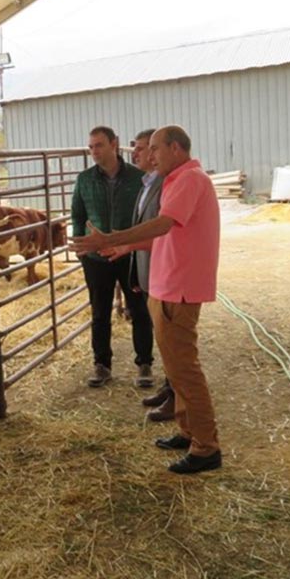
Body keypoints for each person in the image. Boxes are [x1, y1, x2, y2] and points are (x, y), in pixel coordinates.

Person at [70, 125, 222, 474]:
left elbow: (163, 225)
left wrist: (113, 235)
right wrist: (125, 245)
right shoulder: (176, 180)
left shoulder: (189, 180)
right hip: (167, 283)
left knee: (185, 369)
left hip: (179, 287)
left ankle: (207, 447)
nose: (148, 156)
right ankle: (189, 431)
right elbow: (166, 235)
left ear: (175, 148)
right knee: (175, 368)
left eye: (155, 148)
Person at [71, 126, 155, 388]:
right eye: (91, 147)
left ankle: (144, 364)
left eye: (99, 145)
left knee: (139, 308)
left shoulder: (137, 177)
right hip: (96, 258)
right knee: (99, 312)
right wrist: (82, 248)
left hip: (129, 253)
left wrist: (137, 245)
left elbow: (146, 215)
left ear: (114, 144)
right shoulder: (84, 180)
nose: (94, 151)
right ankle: (102, 364)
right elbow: (77, 214)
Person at [106, 129, 175, 422]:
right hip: (149, 269)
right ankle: (169, 387)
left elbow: (161, 229)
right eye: (135, 148)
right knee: (163, 335)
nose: (137, 154)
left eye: (144, 148)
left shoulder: (164, 184)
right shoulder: (147, 182)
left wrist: (125, 242)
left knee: (172, 338)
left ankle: (175, 396)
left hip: (162, 270)